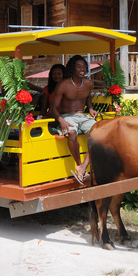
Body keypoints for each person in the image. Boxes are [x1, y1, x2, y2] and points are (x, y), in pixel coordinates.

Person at [51, 55, 98, 185]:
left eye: (84, 66)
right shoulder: (63, 85)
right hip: (67, 116)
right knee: (71, 132)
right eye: (78, 66)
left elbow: (87, 96)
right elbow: (53, 108)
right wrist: (61, 120)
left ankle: (83, 167)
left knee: (99, 134)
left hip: (83, 116)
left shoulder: (89, 83)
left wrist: (91, 108)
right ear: (72, 68)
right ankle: (79, 165)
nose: (82, 69)